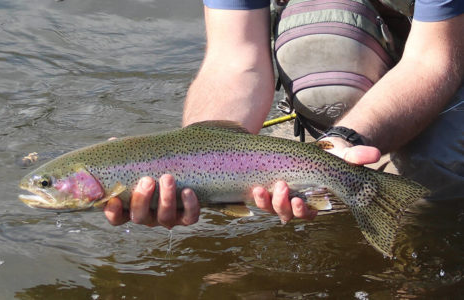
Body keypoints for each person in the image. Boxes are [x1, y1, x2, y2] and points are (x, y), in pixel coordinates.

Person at [104, 0, 464, 228]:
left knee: (436, 167)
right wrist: (201, 159)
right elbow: (235, 59)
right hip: (354, 55)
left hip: (446, 52)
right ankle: (331, 150)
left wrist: (350, 137)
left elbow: (432, 61)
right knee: (320, 35)